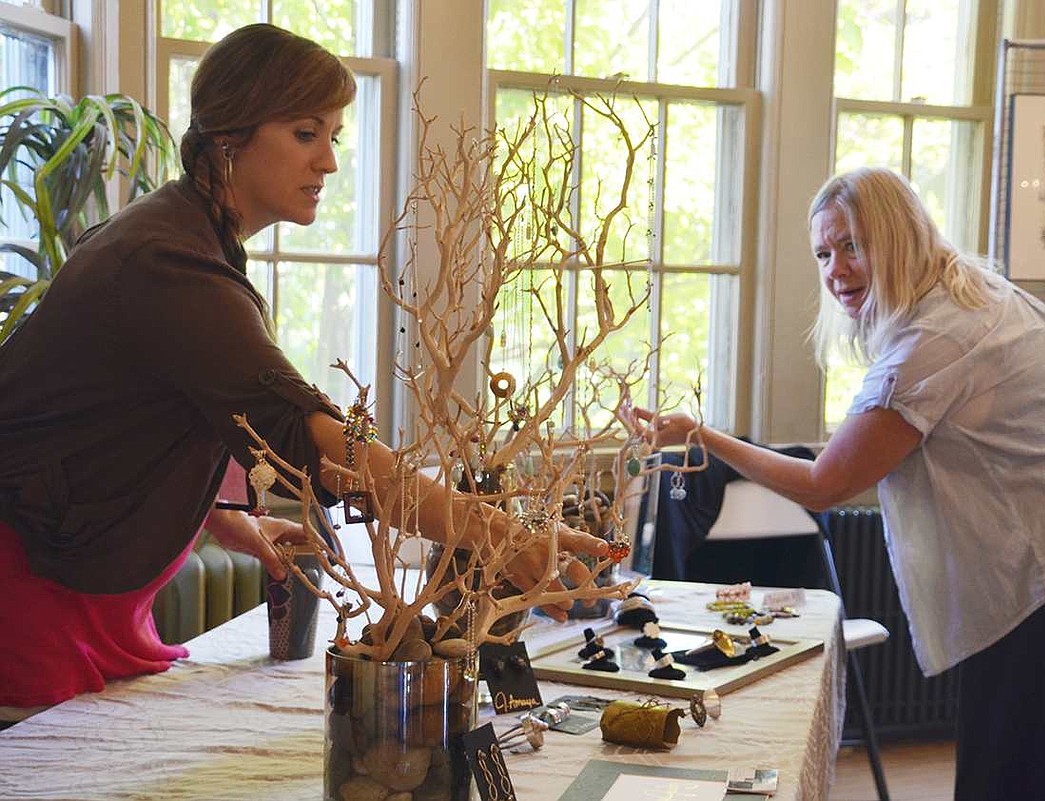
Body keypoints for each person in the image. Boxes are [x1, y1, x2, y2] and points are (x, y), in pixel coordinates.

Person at [0, 23, 607, 720]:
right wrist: (493, 532)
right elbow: (308, 430)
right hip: (29, 599)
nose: (329, 163)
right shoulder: (166, 260)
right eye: (305, 133)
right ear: (229, 135)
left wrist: (227, 521)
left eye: (335, 138)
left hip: (87, 596)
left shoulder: (193, 239)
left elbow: (165, 407)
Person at [630, 166, 1045, 800]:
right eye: (824, 254)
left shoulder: (935, 337)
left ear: (898, 235)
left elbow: (829, 484)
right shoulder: (970, 297)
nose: (835, 270)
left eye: (853, 245)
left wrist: (702, 437)